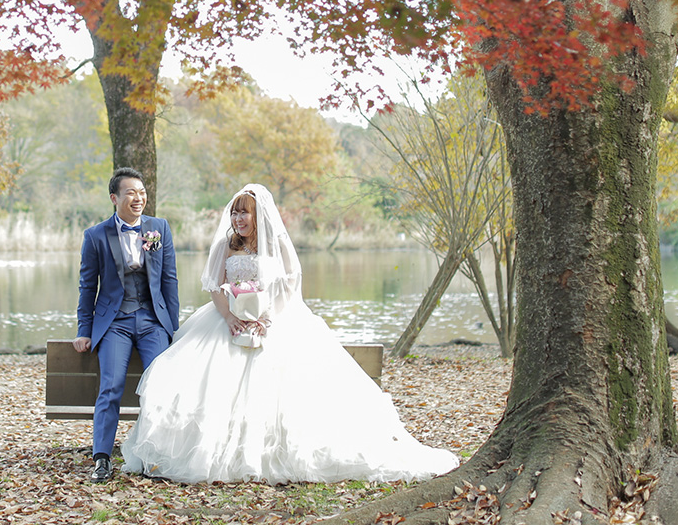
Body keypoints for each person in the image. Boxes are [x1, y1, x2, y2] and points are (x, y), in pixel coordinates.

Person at [121, 184, 459, 484]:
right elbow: (214, 286)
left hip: (272, 321)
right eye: (235, 212)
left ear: (258, 216)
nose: (238, 219)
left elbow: (291, 280)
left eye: (245, 213)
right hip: (230, 321)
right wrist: (229, 317)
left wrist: (267, 316)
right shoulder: (227, 245)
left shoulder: (277, 244)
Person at [73, 167, 180, 482]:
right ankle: (102, 459)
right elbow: (86, 287)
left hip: (152, 322)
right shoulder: (95, 235)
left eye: (142, 192)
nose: (139, 198)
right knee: (111, 386)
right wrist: (84, 330)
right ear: (114, 198)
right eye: (131, 192)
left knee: (158, 388)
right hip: (115, 323)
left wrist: (171, 328)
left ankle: (153, 456)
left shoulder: (159, 228)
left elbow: (170, 281)